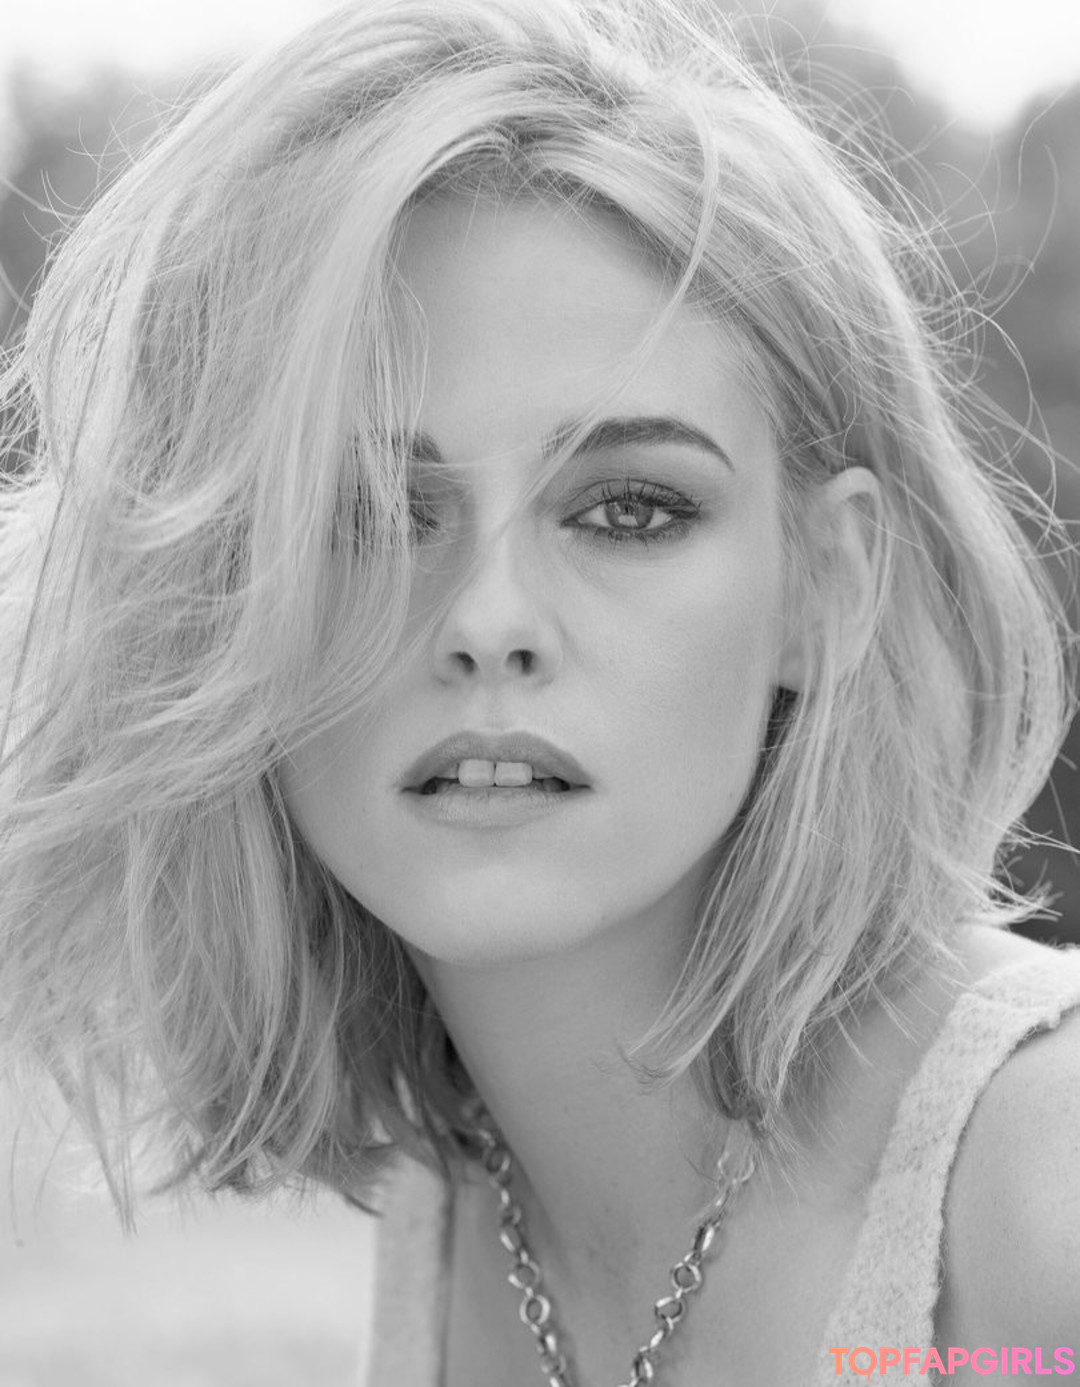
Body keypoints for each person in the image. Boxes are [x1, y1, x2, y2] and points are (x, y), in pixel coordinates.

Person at [1, 0, 1079, 1383]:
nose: (488, 622)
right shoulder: (455, 1199)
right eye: (367, 512)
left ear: (828, 585)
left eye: (628, 510)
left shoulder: (1038, 1193)